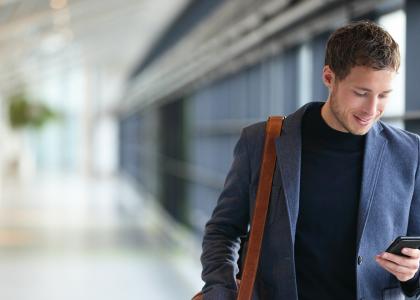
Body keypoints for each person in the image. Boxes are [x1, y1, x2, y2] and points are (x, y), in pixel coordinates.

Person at [199, 20, 420, 300]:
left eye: (384, 95)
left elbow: (416, 254)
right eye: (361, 93)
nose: (372, 109)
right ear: (329, 78)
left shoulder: (409, 153)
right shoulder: (262, 142)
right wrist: (220, 292)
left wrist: (412, 272)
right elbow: (222, 230)